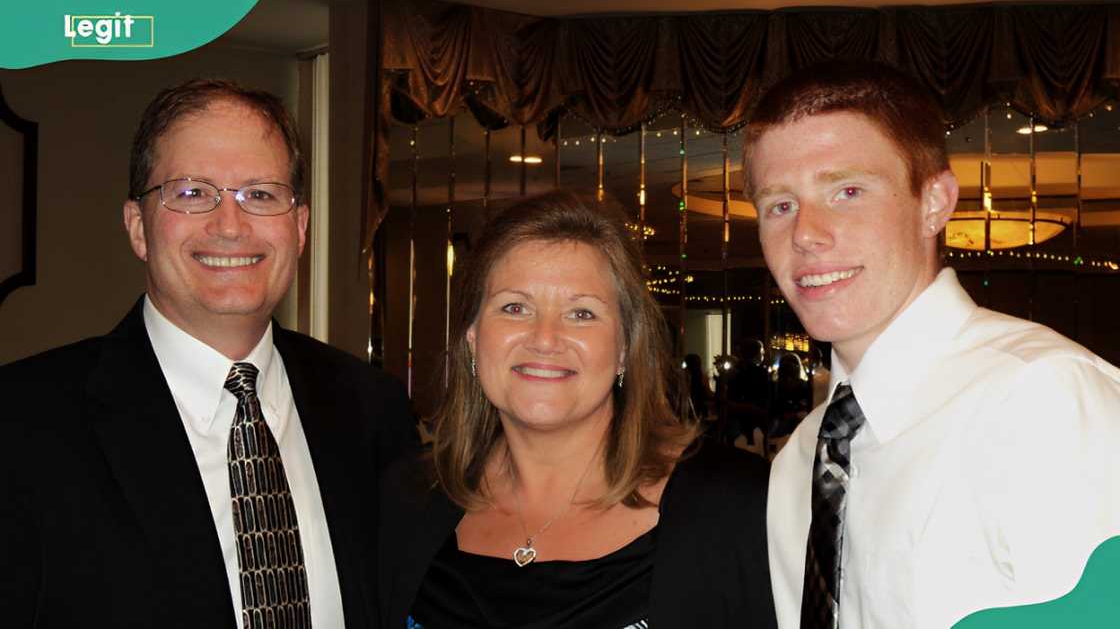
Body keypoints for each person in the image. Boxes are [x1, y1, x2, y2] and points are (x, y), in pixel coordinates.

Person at [0, 79, 415, 628]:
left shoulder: (373, 409)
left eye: (260, 194)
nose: (229, 225)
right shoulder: (18, 425)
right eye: (193, 193)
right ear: (138, 228)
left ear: (300, 228)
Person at [745, 59, 1120, 629]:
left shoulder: (1043, 399)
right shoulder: (800, 460)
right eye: (780, 205)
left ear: (935, 202)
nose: (806, 233)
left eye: (847, 190)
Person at [377, 192, 776, 628]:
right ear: (473, 338)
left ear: (624, 348)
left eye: (581, 313)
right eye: (515, 307)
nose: (545, 338)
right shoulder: (407, 500)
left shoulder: (737, 509)